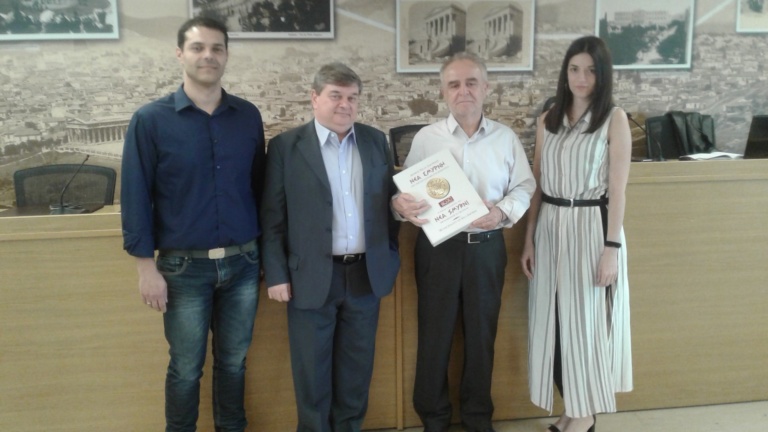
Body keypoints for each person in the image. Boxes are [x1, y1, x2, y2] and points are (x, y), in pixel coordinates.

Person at [121, 16, 265, 432]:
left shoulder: (247, 116)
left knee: (234, 362)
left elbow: (258, 188)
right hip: (183, 269)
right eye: (198, 47)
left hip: (242, 264)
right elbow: (135, 195)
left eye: (217, 48)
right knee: (185, 368)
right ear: (180, 54)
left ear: (226, 55)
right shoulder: (151, 120)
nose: (208, 56)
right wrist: (145, 268)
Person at [392, 52, 535, 432]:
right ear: (443, 92)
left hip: (486, 248)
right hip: (438, 250)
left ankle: (477, 418)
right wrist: (399, 204)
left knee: (481, 336)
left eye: (471, 82)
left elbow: (525, 186)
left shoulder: (505, 138)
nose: (463, 91)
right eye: (454, 84)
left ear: (486, 88)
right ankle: (433, 419)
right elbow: (406, 194)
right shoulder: (426, 139)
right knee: (434, 336)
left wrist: (501, 212)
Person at [260, 62, 401, 432]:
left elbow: (389, 203)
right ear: (314, 98)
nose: (345, 105)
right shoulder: (286, 147)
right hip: (308, 277)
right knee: (312, 377)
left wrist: (389, 256)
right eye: (336, 96)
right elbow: (272, 218)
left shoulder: (375, 141)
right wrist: (276, 274)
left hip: (365, 276)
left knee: (356, 374)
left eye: (352, 98)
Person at [520, 36, 633, 432]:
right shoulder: (548, 118)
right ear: (565, 72)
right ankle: (572, 409)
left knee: (585, 324)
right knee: (553, 323)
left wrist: (611, 249)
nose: (581, 78)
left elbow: (617, 189)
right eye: (574, 69)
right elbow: (537, 182)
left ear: (603, 75)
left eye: (590, 70)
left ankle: (584, 416)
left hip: (591, 228)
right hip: (550, 226)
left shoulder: (613, 119)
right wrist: (529, 237)